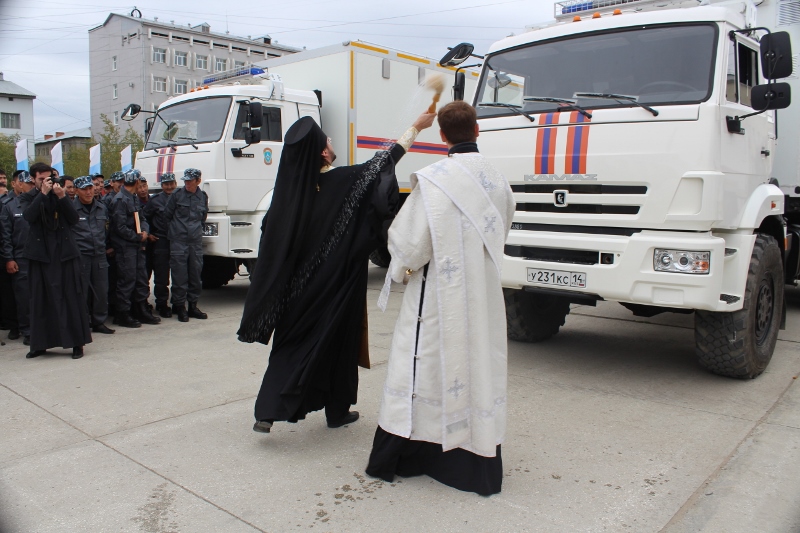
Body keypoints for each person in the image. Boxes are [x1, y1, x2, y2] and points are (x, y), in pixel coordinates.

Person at [238, 110, 435, 434]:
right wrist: (415, 127)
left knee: (291, 345)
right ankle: (337, 410)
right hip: (338, 283)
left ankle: (268, 410)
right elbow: (382, 163)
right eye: (327, 140)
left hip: (297, 291)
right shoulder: (339, 182)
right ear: (322, 152)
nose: (331, 142)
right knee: (341, 343)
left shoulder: (288, 197)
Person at [365, 101, 516, 496]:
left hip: (436, 295)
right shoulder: (499, 181)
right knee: (477, 363)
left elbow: (410, 243)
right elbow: (503, 229)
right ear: (477, 130)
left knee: (425, 366)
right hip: (482, 295)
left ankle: (415, 453)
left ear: (443, 135)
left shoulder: (434, 179)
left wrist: (398, 269)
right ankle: (475, 460)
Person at [23, 165, 92, 359]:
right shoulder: (28, 197)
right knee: (40, 301)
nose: (46, 182)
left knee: (71, 298)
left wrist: (61, 197)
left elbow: (73, 219)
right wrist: (42, 195)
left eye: (49, 178)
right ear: (33, 180)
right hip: (41, 255)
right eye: (41, 179)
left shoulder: (61, 195)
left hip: (64, 252)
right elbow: (29, 217)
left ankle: (77, 343)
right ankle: (40, 344)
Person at [110, 169, 160, 328]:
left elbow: (142, 218)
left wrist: (144, 231)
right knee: (127, 281)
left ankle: (141, 309)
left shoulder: (133, 198)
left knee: (140, 279)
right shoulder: (120, 200)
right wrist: (138, 236)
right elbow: (120, 227)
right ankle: (122, 313)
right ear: (137, 182)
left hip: (137, 247)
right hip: (126, 247)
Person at [163, 168, 208, 322]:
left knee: (195, 275)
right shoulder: (177, 195)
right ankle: (180, 307)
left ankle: (193, 306)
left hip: (195, 242)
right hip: (179, 241)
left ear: (198, 181)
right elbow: (167, 216)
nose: (187, 183)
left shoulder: (202, 197)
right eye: (185, 181)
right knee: (179, 276)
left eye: (190, 181)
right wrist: (176, 233)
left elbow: (203, 217)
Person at [72, 176, 114, 334]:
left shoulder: (101, 207)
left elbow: (107, 229)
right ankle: (83, 323)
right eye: (84, 189)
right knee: (81, 292)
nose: (89, 192)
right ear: (77, 191)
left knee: (101, 290)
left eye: (90, 188)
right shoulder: (71, 208)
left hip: (99, 254)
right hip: (81, 256)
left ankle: (99, 322)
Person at [0, 170, 36, 345]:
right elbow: (5, 235)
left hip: (39, 257)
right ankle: (27, 329)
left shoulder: (38, 202)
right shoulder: (9, 206)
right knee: (23, 297)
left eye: (32, 183)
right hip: (20, 257)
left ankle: (41, 328)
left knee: (40, 295)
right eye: (27, 184)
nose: (30, 186)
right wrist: (9, 258)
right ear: (19, 184)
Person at [143, 172, 177, 318]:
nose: (169, 187)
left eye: (171, 183)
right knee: (161, 276)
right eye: (166, 184)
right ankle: (162, 304)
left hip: (177, 241)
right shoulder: (155, 200)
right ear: (161, 185)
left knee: (179, 275)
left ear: (175, 184)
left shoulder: (181, 197)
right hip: (161, 241)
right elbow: (145, 217)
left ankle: (178, 303)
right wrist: (149, 234)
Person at [0, 170, 19, 338]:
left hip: (24, 254)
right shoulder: (6, 203)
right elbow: (5, 233)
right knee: (9, 293)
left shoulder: (30, 201)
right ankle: (13, 325)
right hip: (9, 253)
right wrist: (8, 257)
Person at [104, 171, 125, 317]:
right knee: (112, 280)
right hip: (112, 245)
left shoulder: (126, 198)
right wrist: (108, 245)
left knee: (122, 278)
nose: (121, 184)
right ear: (112, 183)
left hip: (123, 245)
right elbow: (106, 227)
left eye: (123, 181)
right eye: (118, 181)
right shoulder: (107, 201)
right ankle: (112, 308)